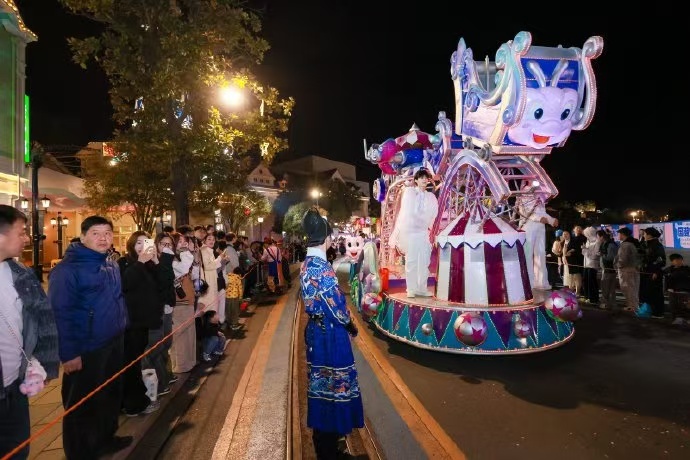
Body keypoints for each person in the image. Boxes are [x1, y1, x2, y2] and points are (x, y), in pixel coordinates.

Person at [48, 216, 131, 459]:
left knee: (110, 395)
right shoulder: (67, 270)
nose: (103, 238)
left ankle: (105, 439)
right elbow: (60, 313)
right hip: (87, 347)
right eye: (96, 233)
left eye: (107, 233)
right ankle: (80, 452)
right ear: (83, 236)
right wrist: (69, 354)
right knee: (82, 404)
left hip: (113, 340)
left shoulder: (110, 264)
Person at [299, 208, 363, 459]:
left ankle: (328, 445)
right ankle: (328, 450)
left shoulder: (308, 263)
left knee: (323, 387)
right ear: (326, 239)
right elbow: (336, 305)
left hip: (318, 331)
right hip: (329, 334)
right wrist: (350, 324)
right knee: (333, 388)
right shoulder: (321, 267)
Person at [0, 206, 59, 460]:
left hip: (15, 387)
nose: (27, 238)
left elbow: (43, 319)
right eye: (21, 232)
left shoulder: (20, 273)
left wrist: (45, 362)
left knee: (18, 450)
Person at [390, 168, 439, 298]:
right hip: (411, 233)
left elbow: (433, 216)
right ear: (416, 180)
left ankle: (422, 288)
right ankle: (411, 289)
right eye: (421, 178)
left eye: (426, 178)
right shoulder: (410, 193)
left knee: (424, 261)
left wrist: (430, 230)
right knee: (411, 261)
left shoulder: (431, 197)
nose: (424, 180)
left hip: (423, 233)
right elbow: (406, 213)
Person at [516, 187, 559, 290]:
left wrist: (551, 220)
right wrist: (539, 218)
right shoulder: (524, 193)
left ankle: (541, 282)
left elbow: (542, 212)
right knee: (528, 254)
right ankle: (528, 282)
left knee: (541, 253)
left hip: (540, 227)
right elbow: (525, 212)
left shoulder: (540, 194)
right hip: (528, 226)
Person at [639, 227, 666, 319]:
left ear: (649, 235)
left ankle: (658, 313)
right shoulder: (646, 244)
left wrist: (656, 272)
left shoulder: (657, 245)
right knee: (648, 292)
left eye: (645, 234)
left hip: (653, 273)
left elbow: (661, 261)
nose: (643, 235)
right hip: (646, 272)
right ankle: (650, 311)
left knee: (656, 293)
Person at [664, 254, 690, 325]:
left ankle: (686, 319)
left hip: (684, 291)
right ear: (672, 262)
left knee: (684, 306)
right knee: (673, 306)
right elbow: (661, 273)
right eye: (676, 260)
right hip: (672, 291)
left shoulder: (687, 269)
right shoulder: (669, 270)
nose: (679, 262)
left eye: (680, 260)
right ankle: (676, 319)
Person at [225, 266, 244, 332]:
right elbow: (240, 289)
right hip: (235, 297)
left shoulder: (228, 276)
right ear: (240, 274)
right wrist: (240, 298)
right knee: (235, 311)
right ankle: (234, 324)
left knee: (228, 310)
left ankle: (228, 323)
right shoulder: (238, 278)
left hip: (226, 297)